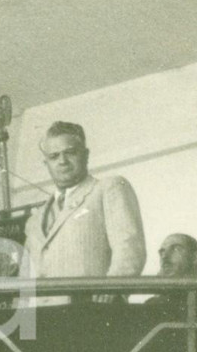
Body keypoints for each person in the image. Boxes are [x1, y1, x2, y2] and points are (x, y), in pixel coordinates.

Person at [20, 121, 146, 301]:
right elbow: (26, 275)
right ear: (46, 163)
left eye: (70, 152)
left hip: (90, 312)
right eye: (54, 156)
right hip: (42, 319)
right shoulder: (35, 219)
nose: (62, 161)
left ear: (85, 155)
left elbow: (129, 249)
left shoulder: (108, 188)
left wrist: (112, 289)